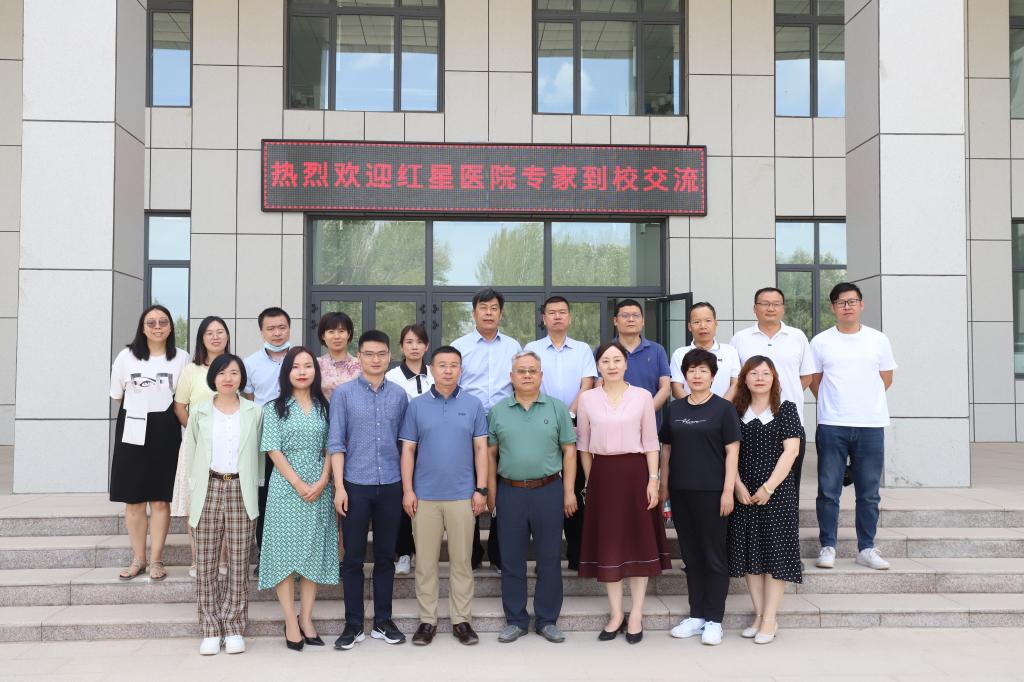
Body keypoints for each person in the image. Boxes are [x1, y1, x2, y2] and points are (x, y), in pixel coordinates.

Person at [576, 342, 671, 644]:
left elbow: (651, 442)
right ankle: (616, 613)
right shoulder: (587, 399)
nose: (612, 365)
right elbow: (583, 446)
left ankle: (636, 613)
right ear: (598, 366)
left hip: (636, 474)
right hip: (603, 475)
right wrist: (590, 482)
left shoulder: (642, 397)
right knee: (610, 544)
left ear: (626, 364)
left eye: (617, 360)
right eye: (606, 361)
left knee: (638, 544)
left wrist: (653, 480)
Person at [399, 345, 488, 646]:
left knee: (462, 562)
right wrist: (408, 490)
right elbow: (408, 450)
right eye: (442, 365)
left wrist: (481, 489)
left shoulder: (473, 405)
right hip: (424, 497)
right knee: (425, 563)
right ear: (432, 369)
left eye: (454, 365)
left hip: (463, 496)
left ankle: (462, 621)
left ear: (460, 370)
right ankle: (428, 621)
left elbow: (481, 448)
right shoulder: (417, 406)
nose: (448, 370)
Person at [486, 350, 577, 644]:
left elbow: (570, 451)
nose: (527, 375)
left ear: (541, 375)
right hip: (510, 491)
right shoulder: (498, 411)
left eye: (532, 370)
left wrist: (568, 492)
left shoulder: (557, 408)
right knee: (511, 559)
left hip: (548, 491)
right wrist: (491, 493)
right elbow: (490, 454)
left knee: (549, 558)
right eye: (521, 371)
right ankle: (515, 620)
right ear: (511, 376)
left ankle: (547, 620)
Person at [329, 330, 410, 649]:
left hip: (391, 484)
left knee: (386, 557)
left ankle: (382, 621)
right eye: (369, 354)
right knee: (352, 559)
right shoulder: (344, 394)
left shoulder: (399, 395)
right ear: (359, 357)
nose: (376, 359)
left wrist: (407, 488)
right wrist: (339, 487)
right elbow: (336, 443)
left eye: (381, 354)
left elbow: (405, 445)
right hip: (355, 485)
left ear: (390, 356)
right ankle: (353, 625)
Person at [810, 282, 897, 571]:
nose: (846, 306)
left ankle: (867, 548)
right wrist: (836, 403)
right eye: (841, 302)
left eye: (851, 301)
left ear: (861, 304)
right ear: (832, 307)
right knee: (828, 490)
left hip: (870, 424)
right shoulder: (821, 341)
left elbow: (886, 379)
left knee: (869, 492)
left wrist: (863, 403)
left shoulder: (878, 340)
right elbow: (815, 381)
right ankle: (828, 546)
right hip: (832, 424)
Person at [258, 347, 338, 651]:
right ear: (287, 372)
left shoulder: (324, 406)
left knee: (311, 554)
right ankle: (290, 621)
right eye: (296, 366)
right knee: (285, 555)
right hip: (285, 488)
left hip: (319, 485)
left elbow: (332, 446)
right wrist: (298, 483)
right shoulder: (275, 408)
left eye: (308, 366)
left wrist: (323, 479)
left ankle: (307, 618)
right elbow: (272, 449)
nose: (302, 372)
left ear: (315, 371)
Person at [659, 348, 741, 646]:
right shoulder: (675, 409)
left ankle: (714, 620)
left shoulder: (723, 409)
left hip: (713, 493)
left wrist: (728, 490)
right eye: (691, 370)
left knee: (714, 557)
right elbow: (666, 449)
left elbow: (732, 452)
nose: (696, 375)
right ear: (684, 375)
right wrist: (664, 485)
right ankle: (696, 616)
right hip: (681, 492)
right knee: (691, 556)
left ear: (713, 376)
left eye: (703, 370)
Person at [183, 354, 264, 656]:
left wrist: (255, 485)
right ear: (213, 377)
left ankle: (233, 627)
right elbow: (191, 452)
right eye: (221, 373)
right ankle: (209, 628)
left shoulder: (255, 411)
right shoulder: (199, 411)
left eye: (234, 373)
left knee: (240, 561)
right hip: (209, 486)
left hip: (241, 487)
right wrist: (193, 489)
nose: (228, 378)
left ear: (242, 377)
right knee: (206, 562)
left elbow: (258, 454)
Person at [727, 356, 804, 645]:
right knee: (750, 555)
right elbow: (728, 452)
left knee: (775, 555)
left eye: (765, 373)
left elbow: (791, 451)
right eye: (753, 373)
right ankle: (759, 615)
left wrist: (769, 488)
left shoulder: (786, 409)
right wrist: (737, 486)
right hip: (744, 492)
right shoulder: (735, 411)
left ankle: (770, 618)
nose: (759, 378)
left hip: (777, 492)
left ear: (774, 378)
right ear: (744, 379)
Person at [109, 305, 189, 582]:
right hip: (132, 427)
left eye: (163, 322)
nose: (157, 327)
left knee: (160, 499)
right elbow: (117, 396)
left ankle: (156, 560)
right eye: (151, 322)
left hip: (165, 428)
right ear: (142, 328)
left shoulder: (181, 358)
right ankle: (138, 559)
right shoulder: (126, 356)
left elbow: (183, 398)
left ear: (171, 327)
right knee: (133, 500)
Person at [452, 288, 522, 572]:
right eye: (484, 308)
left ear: (501, 313)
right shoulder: (460, 346)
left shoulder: (513, 346)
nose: (489, 313)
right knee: (469, 485)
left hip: (505, 422)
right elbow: (453, 384)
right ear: (474, 313)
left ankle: (498, 552)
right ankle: (471, 553)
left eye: (494, 308)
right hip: (468, 422)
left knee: (503, 488)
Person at [524, 296, 597, 571]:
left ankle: (578, 556)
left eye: (562, 312)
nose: (557, 316)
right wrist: (549, 417)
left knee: (575, 491)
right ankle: (546, 559)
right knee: (545, 495)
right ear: (543, 318)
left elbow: (587, 384)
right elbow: (528, 383)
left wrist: (567, 416)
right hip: (539, 429)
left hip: (574, 426)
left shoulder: (582, 349)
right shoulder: (531, 349)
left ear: (570, 317)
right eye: (551, 312)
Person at [730, 288, 815, 498]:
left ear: (783, 308)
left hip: (789, 421)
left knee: (789, 485)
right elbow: (735, 379)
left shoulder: (797, 336)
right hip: (749, 420)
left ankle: (787, 521)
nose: (771, 308)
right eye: (765, 303)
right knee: (748, 479)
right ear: (755, 308)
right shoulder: (740, 338)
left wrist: (776, 400)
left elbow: (806, 376)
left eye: (776, 304)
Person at [172, 316, 231, 578]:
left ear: (227, 336)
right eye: (209, 333)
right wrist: (197, 434)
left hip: (229, 444)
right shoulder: (191, 370)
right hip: (196, 445)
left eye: (220, 332)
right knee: (198, 502)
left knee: (227, 503)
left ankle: (222, 560)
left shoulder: (234, 366)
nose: (215, 337)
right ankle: (198, 560)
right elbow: (180, 407)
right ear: (201, 338)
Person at [385, 324, 434, 576]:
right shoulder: (392, 377)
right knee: (404, 498)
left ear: (426, 346)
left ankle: (424, 552)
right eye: (409, 342)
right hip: (401, 446)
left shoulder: (435, 373)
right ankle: (404, 553)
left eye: (419, 342)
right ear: (401, 347)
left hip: (432, 447)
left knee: (426, 500)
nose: (414, 347)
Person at [243, 307, 292, 554]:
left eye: (282, 327)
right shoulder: (250, 363)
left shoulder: (301, 358)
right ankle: (266, 554)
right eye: (271, 328)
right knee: (265, 498)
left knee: (294, 497)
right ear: (261, 332)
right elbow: (250, 402)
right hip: (265, 441)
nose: (277, 333)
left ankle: (295, 555)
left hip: (297, 439)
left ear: (289, 329)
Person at [611, 299, 671, 426]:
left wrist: (644, 413)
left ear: (643, 321)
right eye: (625, 315)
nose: (631, 319)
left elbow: (665, 388)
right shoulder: (605, 351)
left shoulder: (657, 350)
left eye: (636, 315)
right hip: (613, 422)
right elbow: (599, 386)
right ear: (615, 321)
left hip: (649, 424)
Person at [671, 302, 740, 401]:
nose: (703, 326)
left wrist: (721, 407)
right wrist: (694, 407)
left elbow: (736, 384)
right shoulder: (680, 354)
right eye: (697, 322)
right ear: (689, 327)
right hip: (690, 409)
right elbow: (676, 387)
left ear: (715, 323)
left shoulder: (730, 351)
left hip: (724, 409)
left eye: (708, 321)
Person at [317, 311, 361, 400]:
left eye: (341, 331)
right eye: (331, 332)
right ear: (323, 336)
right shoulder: (315, 365)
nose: (336, 336)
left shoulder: (360, 365)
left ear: (349, 334)